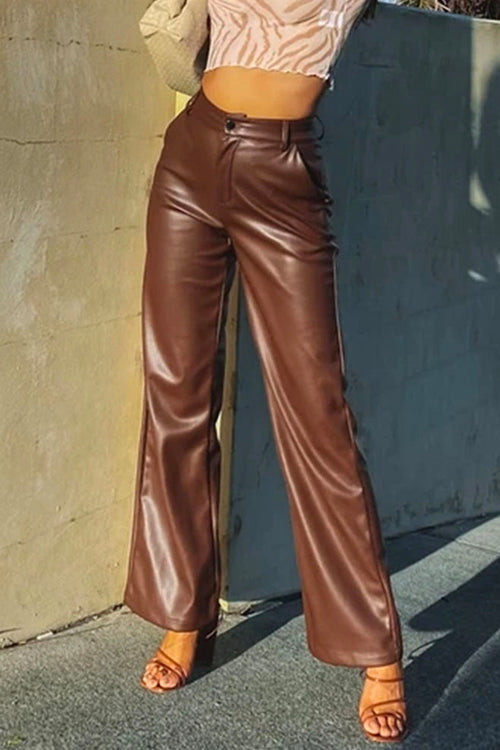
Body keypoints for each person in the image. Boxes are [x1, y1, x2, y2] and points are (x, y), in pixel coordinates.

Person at [123, 0, 408, 742]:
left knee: (318, 413)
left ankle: (375, 648)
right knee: (177, 394)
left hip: (284, 171)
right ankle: (185, 612)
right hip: (191, 158)